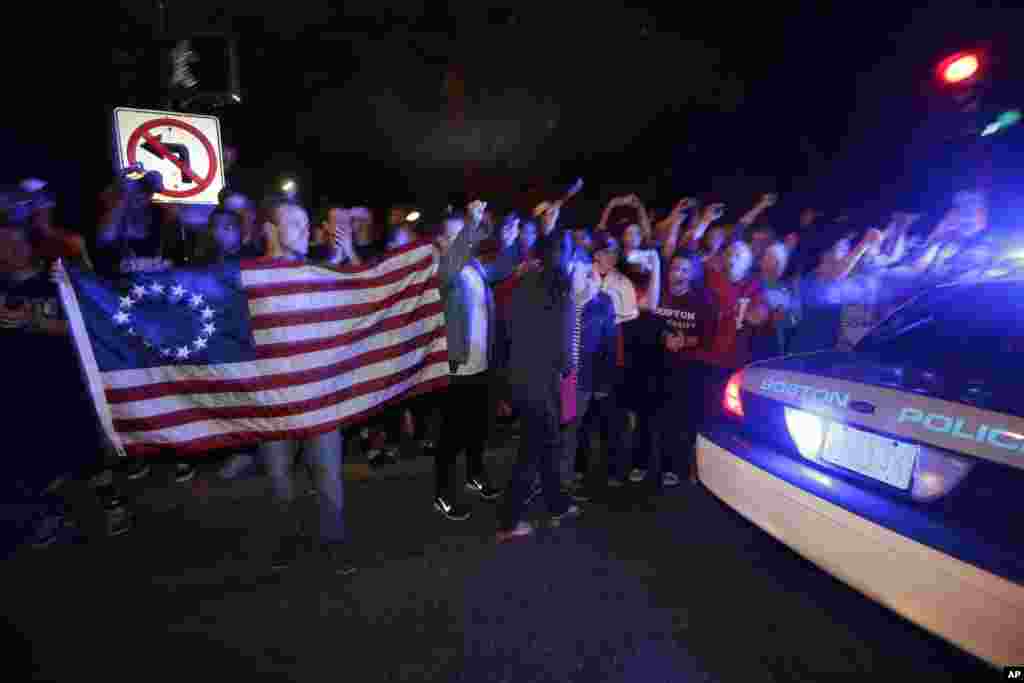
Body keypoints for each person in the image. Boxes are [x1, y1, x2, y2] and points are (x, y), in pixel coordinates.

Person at [256, 199, 353, 574]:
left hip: (319, 397)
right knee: (279, 482)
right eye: (292, 222)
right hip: (274, 402)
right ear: (271, 230)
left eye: (305, 222)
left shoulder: (317, 271)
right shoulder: (249, 276)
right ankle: (287, 543)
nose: (303, 229)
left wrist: (345, 261)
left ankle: (335, 544)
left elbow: (355, 297)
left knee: (329, 477)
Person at [432, 202, 521, 521]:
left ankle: (475, 475)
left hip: (482, 363)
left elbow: (500, 270)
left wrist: (510, 243)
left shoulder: (473, 267)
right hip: (455, 367)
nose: (464, 242)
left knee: (477, 427)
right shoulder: (442, 270)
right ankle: (442, 493)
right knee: (451, 434)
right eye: (456, 237)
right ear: (441, 242)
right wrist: (472, 221)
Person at [498, 229, 582, 542]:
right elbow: (563, 347)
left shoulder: (519, 286)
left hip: (519, 379)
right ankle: (509, 521)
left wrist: (504, 386)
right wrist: (568, 379)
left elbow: (503, 335)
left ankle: (557, 505)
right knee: (532, 450)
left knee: (547, 446)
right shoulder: (559, 287)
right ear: (562, 254)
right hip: (543, 382)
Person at [652, 251, 718, 485]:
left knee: (686, 422)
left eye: (684, 269)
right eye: (675, 268)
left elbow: (709, 336)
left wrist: (684, 342)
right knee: (663, 420)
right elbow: (648, 327)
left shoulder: (702, 301)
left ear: (692, 274)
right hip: (660, 368)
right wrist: (663, 339)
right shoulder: (658, 295)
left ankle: (686, 467)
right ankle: (666, 467)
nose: (677, 273)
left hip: (689, 370)